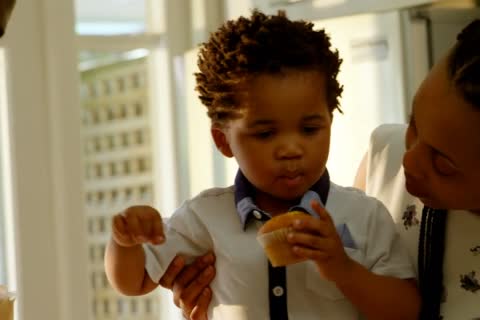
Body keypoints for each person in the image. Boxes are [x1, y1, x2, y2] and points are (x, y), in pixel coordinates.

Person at [163, 9, 480, 320]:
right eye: (415, 125)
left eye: (443, 164)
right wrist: (231, 293)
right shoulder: (385, 156)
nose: (409, 162)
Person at [104, 10, 421, 320]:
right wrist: (125, 242)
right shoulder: (204, 218)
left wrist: (343, 269)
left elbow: (407, 311)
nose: (291, 149)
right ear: (223, 141)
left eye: (309, 129)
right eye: (266, 133)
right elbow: (134, 281)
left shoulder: (364, 216)